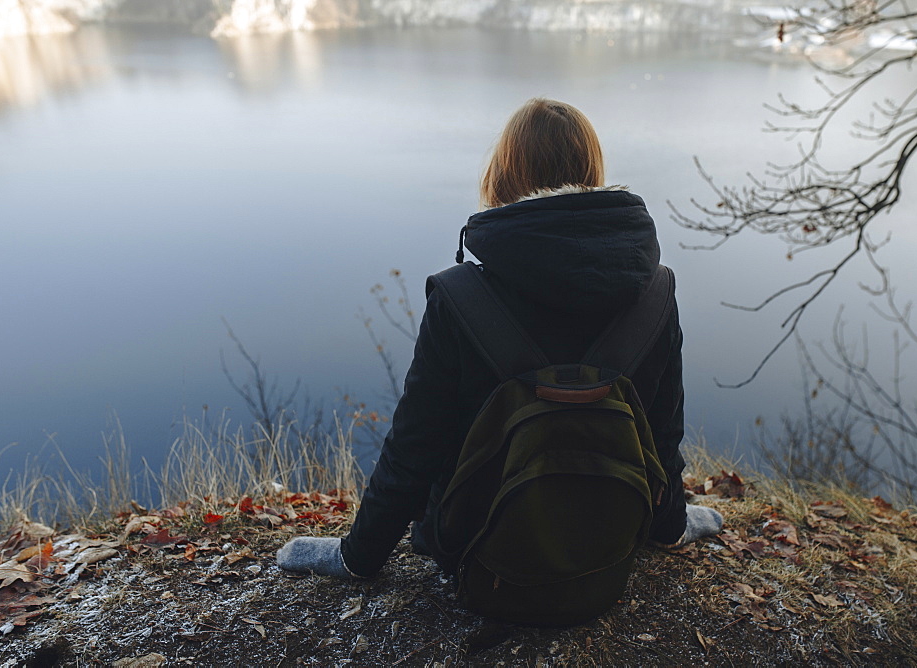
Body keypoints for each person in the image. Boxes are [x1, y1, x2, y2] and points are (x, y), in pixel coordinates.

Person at [278, 98, 722, 581]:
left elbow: (414, 449)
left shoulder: (459, 297)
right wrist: (671, 526)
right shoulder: (656, 293)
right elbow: (662, 435)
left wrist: (356, 557)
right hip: (610, 542)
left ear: (505, 174)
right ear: (593, 171)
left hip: (477, 553)